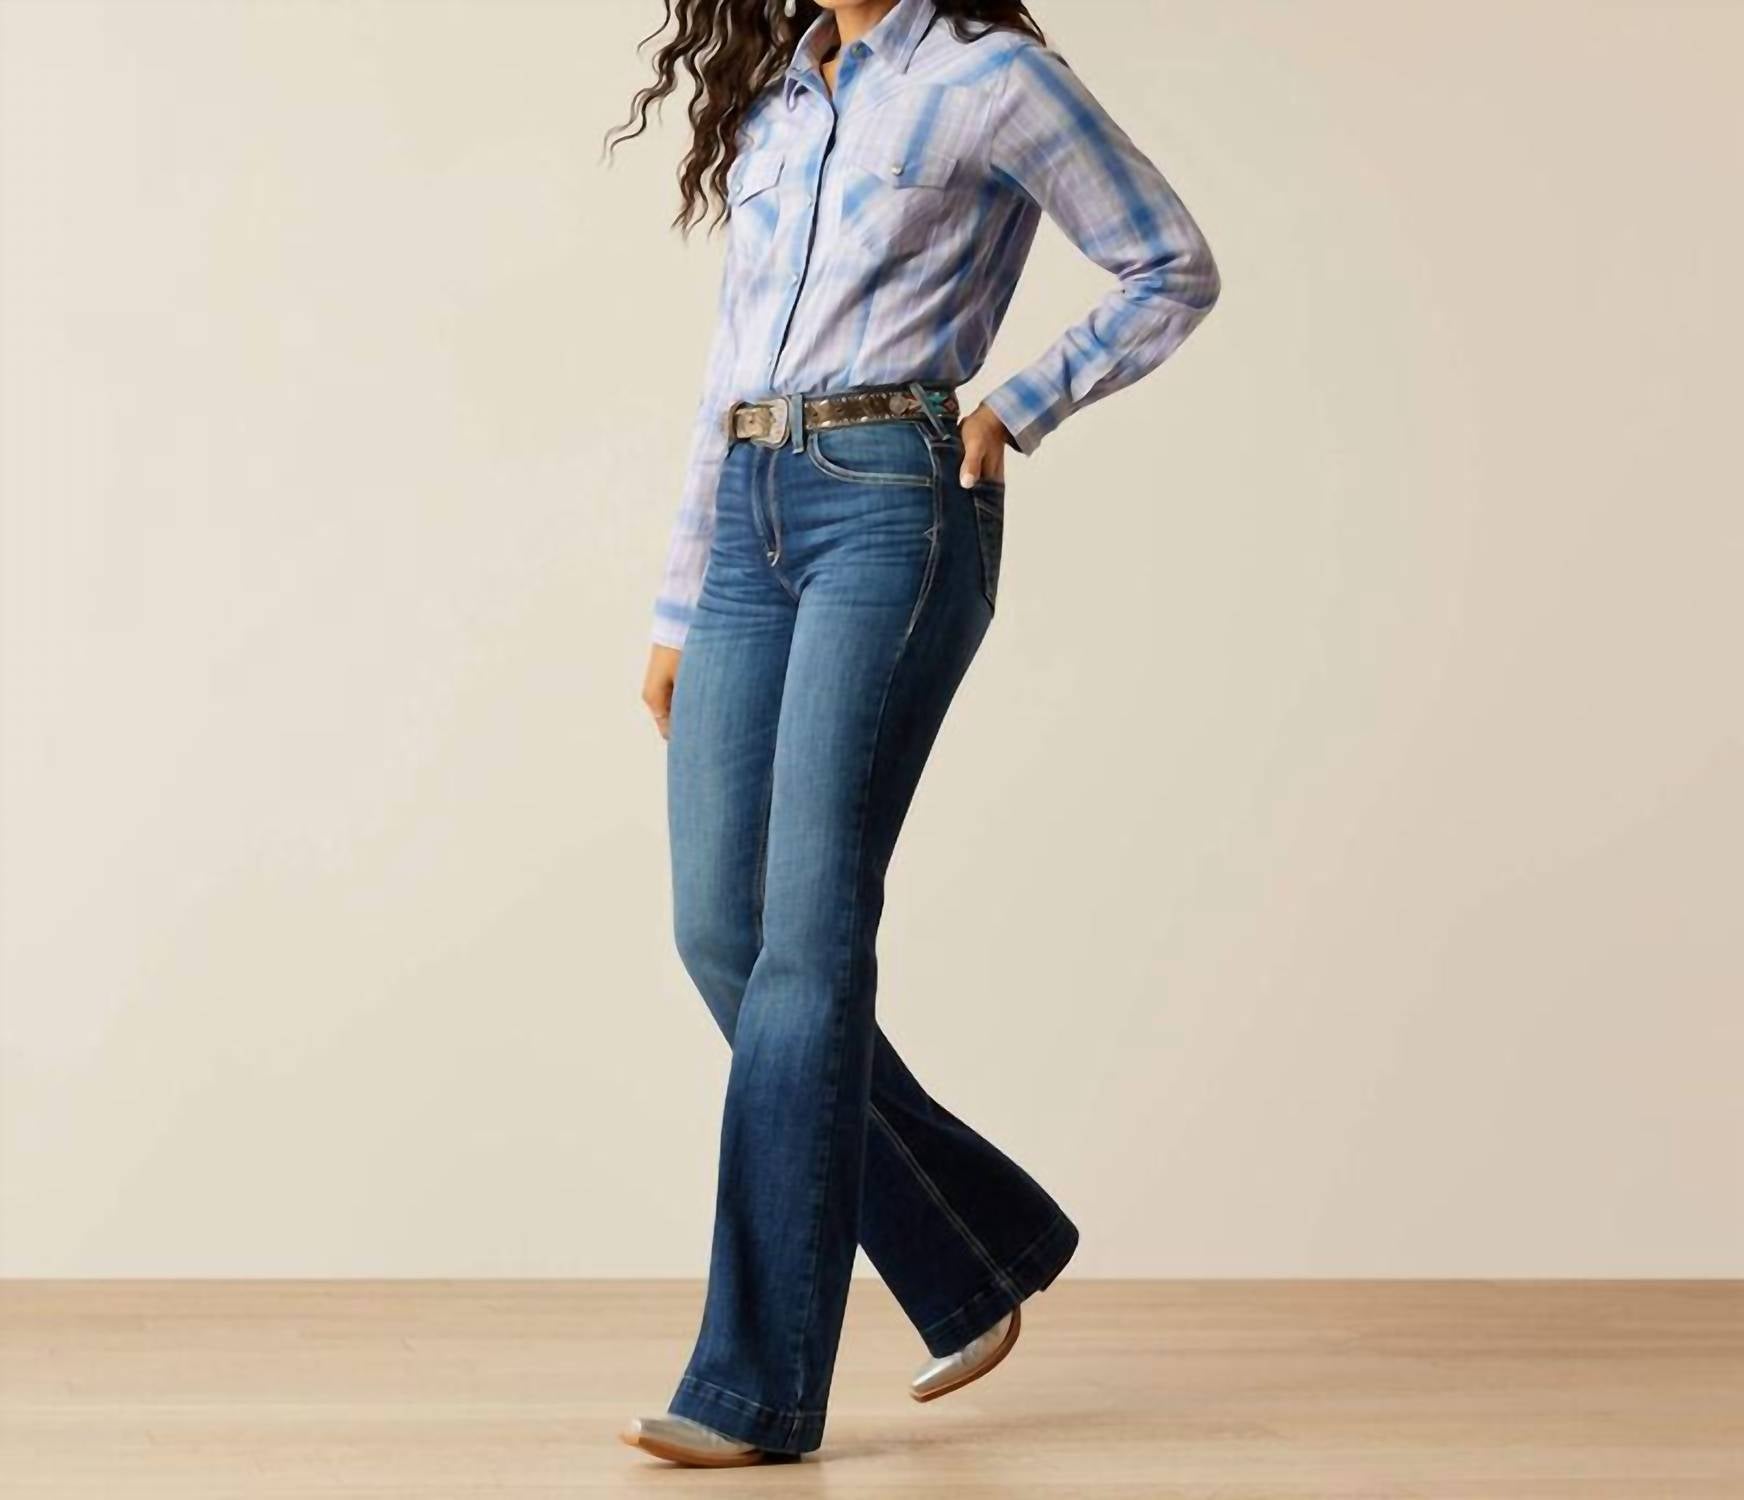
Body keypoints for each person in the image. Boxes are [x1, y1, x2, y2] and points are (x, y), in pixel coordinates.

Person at [607, 0, 1220, 1467]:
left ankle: (753, 1389)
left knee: (811, 938)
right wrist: (679, 599)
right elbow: (728, 363)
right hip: (749, 516)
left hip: (894, 503)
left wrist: (1017, 406)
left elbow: (1170, 263)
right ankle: (972, 1246)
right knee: (723, 930)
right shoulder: (783, 103)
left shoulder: (990, 82)